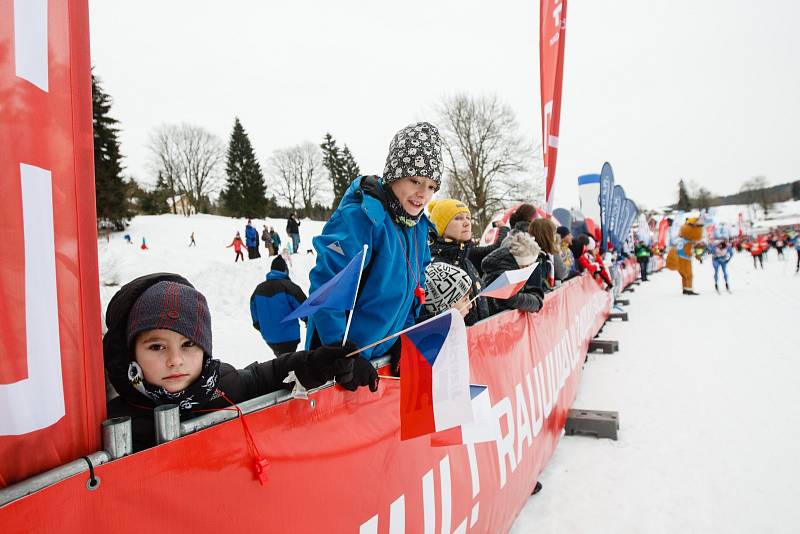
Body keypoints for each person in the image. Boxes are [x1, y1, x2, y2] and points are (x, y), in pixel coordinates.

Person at [103, 274, 374, 452]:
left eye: (188, 345)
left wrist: (322, 364)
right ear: (133, 352)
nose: (175, 360)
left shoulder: (221, 384)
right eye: (157, 347)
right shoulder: (114, 424)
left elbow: (266, 376)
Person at [306, 121, 440, 370]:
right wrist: (340, 353)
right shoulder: (361, 218)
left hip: (380, 362)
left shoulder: (419, 229)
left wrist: (404, 337)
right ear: (394, 176)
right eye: (414, 180)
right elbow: (327, 285)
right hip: (339, 361)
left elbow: (414, 294)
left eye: (431, 186)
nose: (423, 193)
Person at [427, 198, 509, 326]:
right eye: (458, 218)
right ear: (440, 227)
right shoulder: (434, 268)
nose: (466, 223)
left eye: (468, 218)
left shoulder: (467, 260)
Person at [250, 256, 308, 356]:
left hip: (269, 338)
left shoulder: (258, 290)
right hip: (289, 337)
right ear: (285, 270)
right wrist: (308, 320)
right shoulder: (289, 287)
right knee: (288, 362)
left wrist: (264, 328)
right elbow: (305, 310)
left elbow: (255, 319)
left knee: (281, 361)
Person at [481, 231, 544, 315]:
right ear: (525, 264)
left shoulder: (507, 264)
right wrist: (535, 302)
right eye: (529, 265)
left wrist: (533, 292)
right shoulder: (504, 270)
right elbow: (510, 298)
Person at [528, 218, 566, 288]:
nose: (555, 238)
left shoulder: (545, 256)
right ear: (546, 236)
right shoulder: (534, 259)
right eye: (554, 234)